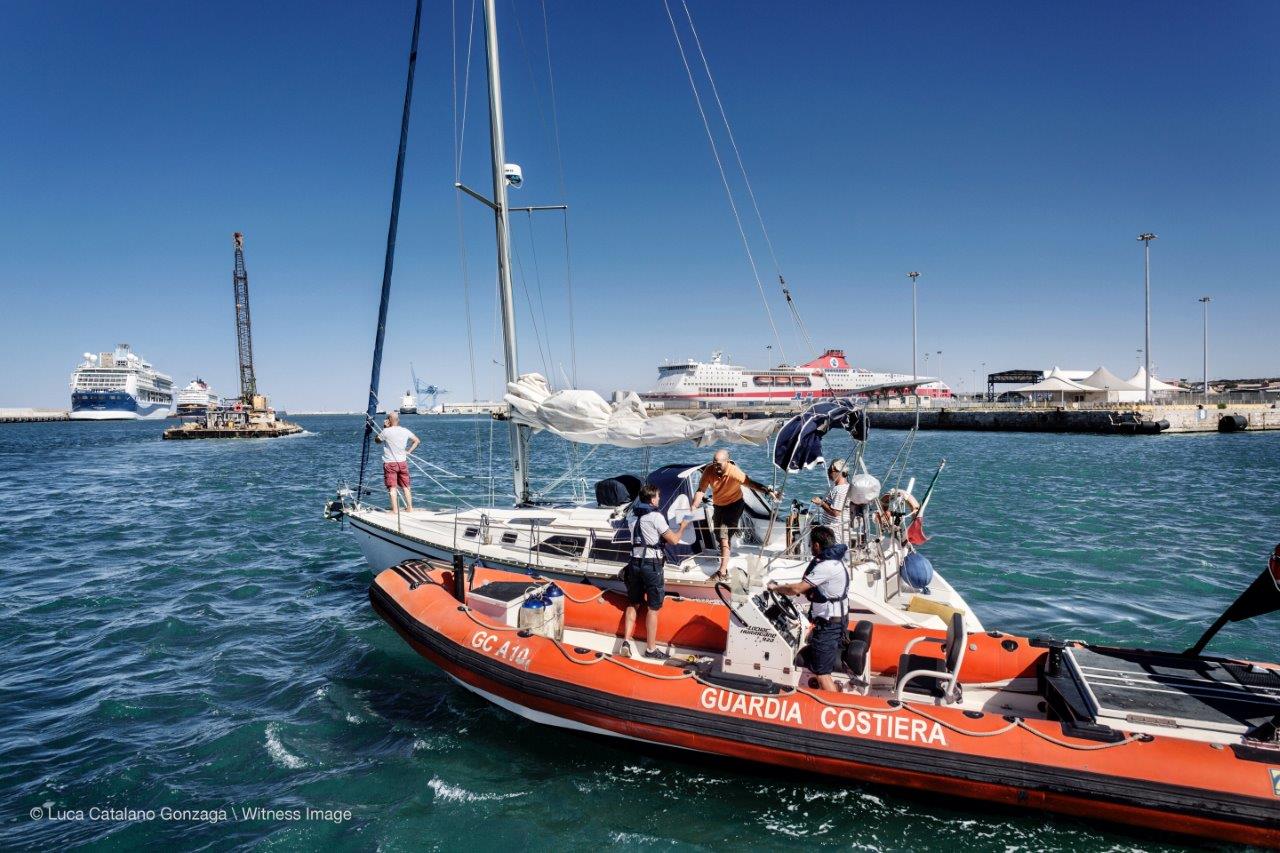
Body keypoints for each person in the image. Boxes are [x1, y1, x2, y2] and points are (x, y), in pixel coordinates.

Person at [769, 525, 849, 692]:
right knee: (822, 664)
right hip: (835, 620)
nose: (811, 547)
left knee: (822, 673)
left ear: (817, 545)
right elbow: (819, 591)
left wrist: (776, 588)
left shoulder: (825, 566)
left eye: (811, 543)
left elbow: (796, 589)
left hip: (828, 625)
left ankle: (832, 707)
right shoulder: (837, 562)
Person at [621, 483, 692, 660]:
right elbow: (674, 540)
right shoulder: (655, 517)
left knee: (633, 603)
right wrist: (683, 525)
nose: (659, 499)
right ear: (653, 499)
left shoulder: (632, 517)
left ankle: (626, 641)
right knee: (653, 608)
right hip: (651, 565)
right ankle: (651, 649)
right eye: (658, 497)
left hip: (634, 563)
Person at [690, 449, 779, 580]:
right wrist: (693, 506)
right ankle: (730, 533)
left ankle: (722, 572)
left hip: (734, 505)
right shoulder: (709, 471)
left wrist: (768, 491)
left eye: (718, 464)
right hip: (718, 505)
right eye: (714, 463)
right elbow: (701, 490)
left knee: (723, 536)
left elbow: (751, 483)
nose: (716, 467)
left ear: (727, 462)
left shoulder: (734, 472)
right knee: (718, 534)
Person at [374, 411, 420, 513]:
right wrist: (408, 452)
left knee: (392, 487)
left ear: (389, 420)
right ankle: (409, 508)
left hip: (390, 463)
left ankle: (395, 510)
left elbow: (377, 441)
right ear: (398, 420)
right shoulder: (405, 430)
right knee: (406, 486)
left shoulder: (386, 431)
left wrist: (384, 427)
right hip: (402, 462)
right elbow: (417, 441)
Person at [811, 459, 850, 543]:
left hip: (835, 534)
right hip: (832, 531)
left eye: (830, 470)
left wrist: (820, 503)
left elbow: (836, 513)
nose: (828, 473)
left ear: (838, 472)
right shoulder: (843, 487)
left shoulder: (840, 490)